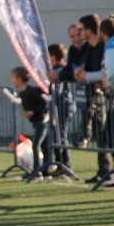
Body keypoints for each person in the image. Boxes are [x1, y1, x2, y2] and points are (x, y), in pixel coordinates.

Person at [75, 16, 114, 186]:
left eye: (82, 29)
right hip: (107, 96)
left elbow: (110, 73)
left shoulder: (109, 46)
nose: (80, 33)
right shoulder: (91, 49)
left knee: (109, 135)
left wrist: (91, 77)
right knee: (106, 135)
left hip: (108, 97)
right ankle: (105, 171)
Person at [5, 66, 51, 181]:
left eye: (13, 78)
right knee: (45, 146)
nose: (12, 80)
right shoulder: (23, 93)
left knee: (36, 145)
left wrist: (33, 112)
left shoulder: (33, 91)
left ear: (20, 79)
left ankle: (37, 171)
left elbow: (45, 104)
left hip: (43, 122)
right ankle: (45, 171)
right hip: (36, 123)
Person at [47, 43, 73, 172]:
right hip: (57, 106)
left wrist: (49, 89)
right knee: (56, 135)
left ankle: (65, 164)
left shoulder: (59, 70)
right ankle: (59, 163)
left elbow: (58, 89)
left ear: (52, 56)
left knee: (61, 135)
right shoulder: (58, 69)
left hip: (62, 107)